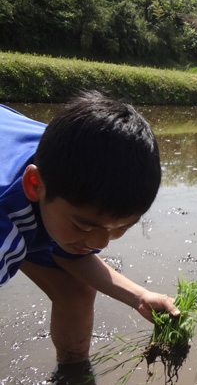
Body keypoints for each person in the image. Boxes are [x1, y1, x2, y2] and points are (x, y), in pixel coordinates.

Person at [0, 91, 181, 364]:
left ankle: (73, 374)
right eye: (85, 226)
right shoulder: (5, 228)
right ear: (35, 184)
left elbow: (74, 253)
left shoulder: (73, 159)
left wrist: (140, 297)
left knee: (75, 289)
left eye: (120, 228)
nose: (100, 243)